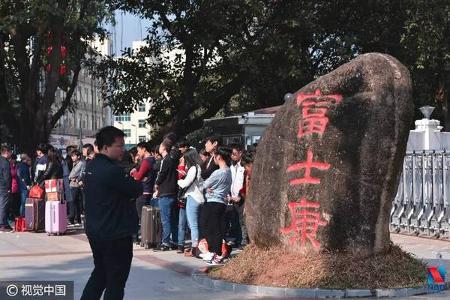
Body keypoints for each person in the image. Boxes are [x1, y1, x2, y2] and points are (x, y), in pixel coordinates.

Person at [80, 126, 142, 300]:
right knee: (116, 280)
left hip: (96, 230)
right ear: (106, 147)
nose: (123, 150)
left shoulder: (91, 166)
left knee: (100, 273)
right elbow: (136, 189)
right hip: (115, 234)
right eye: (119, 146)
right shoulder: (112, 170)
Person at [200, 146, 232, 265]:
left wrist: (206, 187)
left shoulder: (218, 172)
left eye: (214, 156)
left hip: (213, 202)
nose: (213, 158)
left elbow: (203, 184)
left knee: (209, 227)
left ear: (218, 157)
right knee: (217, 227)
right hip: (221, 202)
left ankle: (215, 253)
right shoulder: (229, 171)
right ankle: (216, 252)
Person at [177, 148, 204, 256]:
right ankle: (199, 246)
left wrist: (179, 180)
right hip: (199, 197)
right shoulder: (198, 167)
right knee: (196, 225)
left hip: (193, 197)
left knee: (193, 225)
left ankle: (195, 248)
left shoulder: (193, 168)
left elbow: (185, 183)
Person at [153, 139, 178, 251]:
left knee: (165, 219)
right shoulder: (173, 159)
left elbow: (161, 173)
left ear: (163, 148)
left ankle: (166, 242)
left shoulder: (165, 160)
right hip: (173, 192)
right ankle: (175, 241)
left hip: (165, 192)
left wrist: (157, 184)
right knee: (172, 219)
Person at [226, 143, 248, 248]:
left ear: (240, 153)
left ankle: (244, 241)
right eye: (231, 154)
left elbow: (244, 183)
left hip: (241, 197)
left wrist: (240, 195)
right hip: (232, 197)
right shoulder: (231, 166)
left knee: (242, 220)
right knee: (234, 220)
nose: (232, 156)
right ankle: (236, 239)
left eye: (235, 154)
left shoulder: (243, 167)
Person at [131, 142, 157, 224]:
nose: (138, 153)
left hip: (143, 192)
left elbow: (138, 177)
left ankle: (145, 236)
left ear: (144, 149)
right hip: (150, 191)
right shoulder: (153, 159)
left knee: (143, 219)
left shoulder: (146, 161)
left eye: (139, 150)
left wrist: (134, 171)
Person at [68, 150, 85, 226]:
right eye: (72, 156)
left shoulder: (80, 163)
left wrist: (76, 179)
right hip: (73, 184)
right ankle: (77, 219)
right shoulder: (75, 163)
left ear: (78, 156)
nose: (72, 157)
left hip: (75, 184)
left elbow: (75, 174)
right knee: (76, 202)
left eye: (74, 156)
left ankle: (72, 219)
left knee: (72, 202)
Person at [0, 146, 12, 232]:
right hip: (4, 187)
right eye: (10, 152)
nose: (10, 154)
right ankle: (2, 224)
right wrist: (8, 187)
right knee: (3, 206)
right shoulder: (5, 162)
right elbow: (7, 176)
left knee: (1, 205)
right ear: (6, 152)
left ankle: (4, 223)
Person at [9, 154, 20, 218]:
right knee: (12, 203)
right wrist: (15, 167)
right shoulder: (10, 166)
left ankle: (14, 215)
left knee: (15, 202)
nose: (14, 161)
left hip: (16, 186)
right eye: (13, 159)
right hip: (12, 187)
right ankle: (11, 216)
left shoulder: (14, 165)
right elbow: (13, 174)